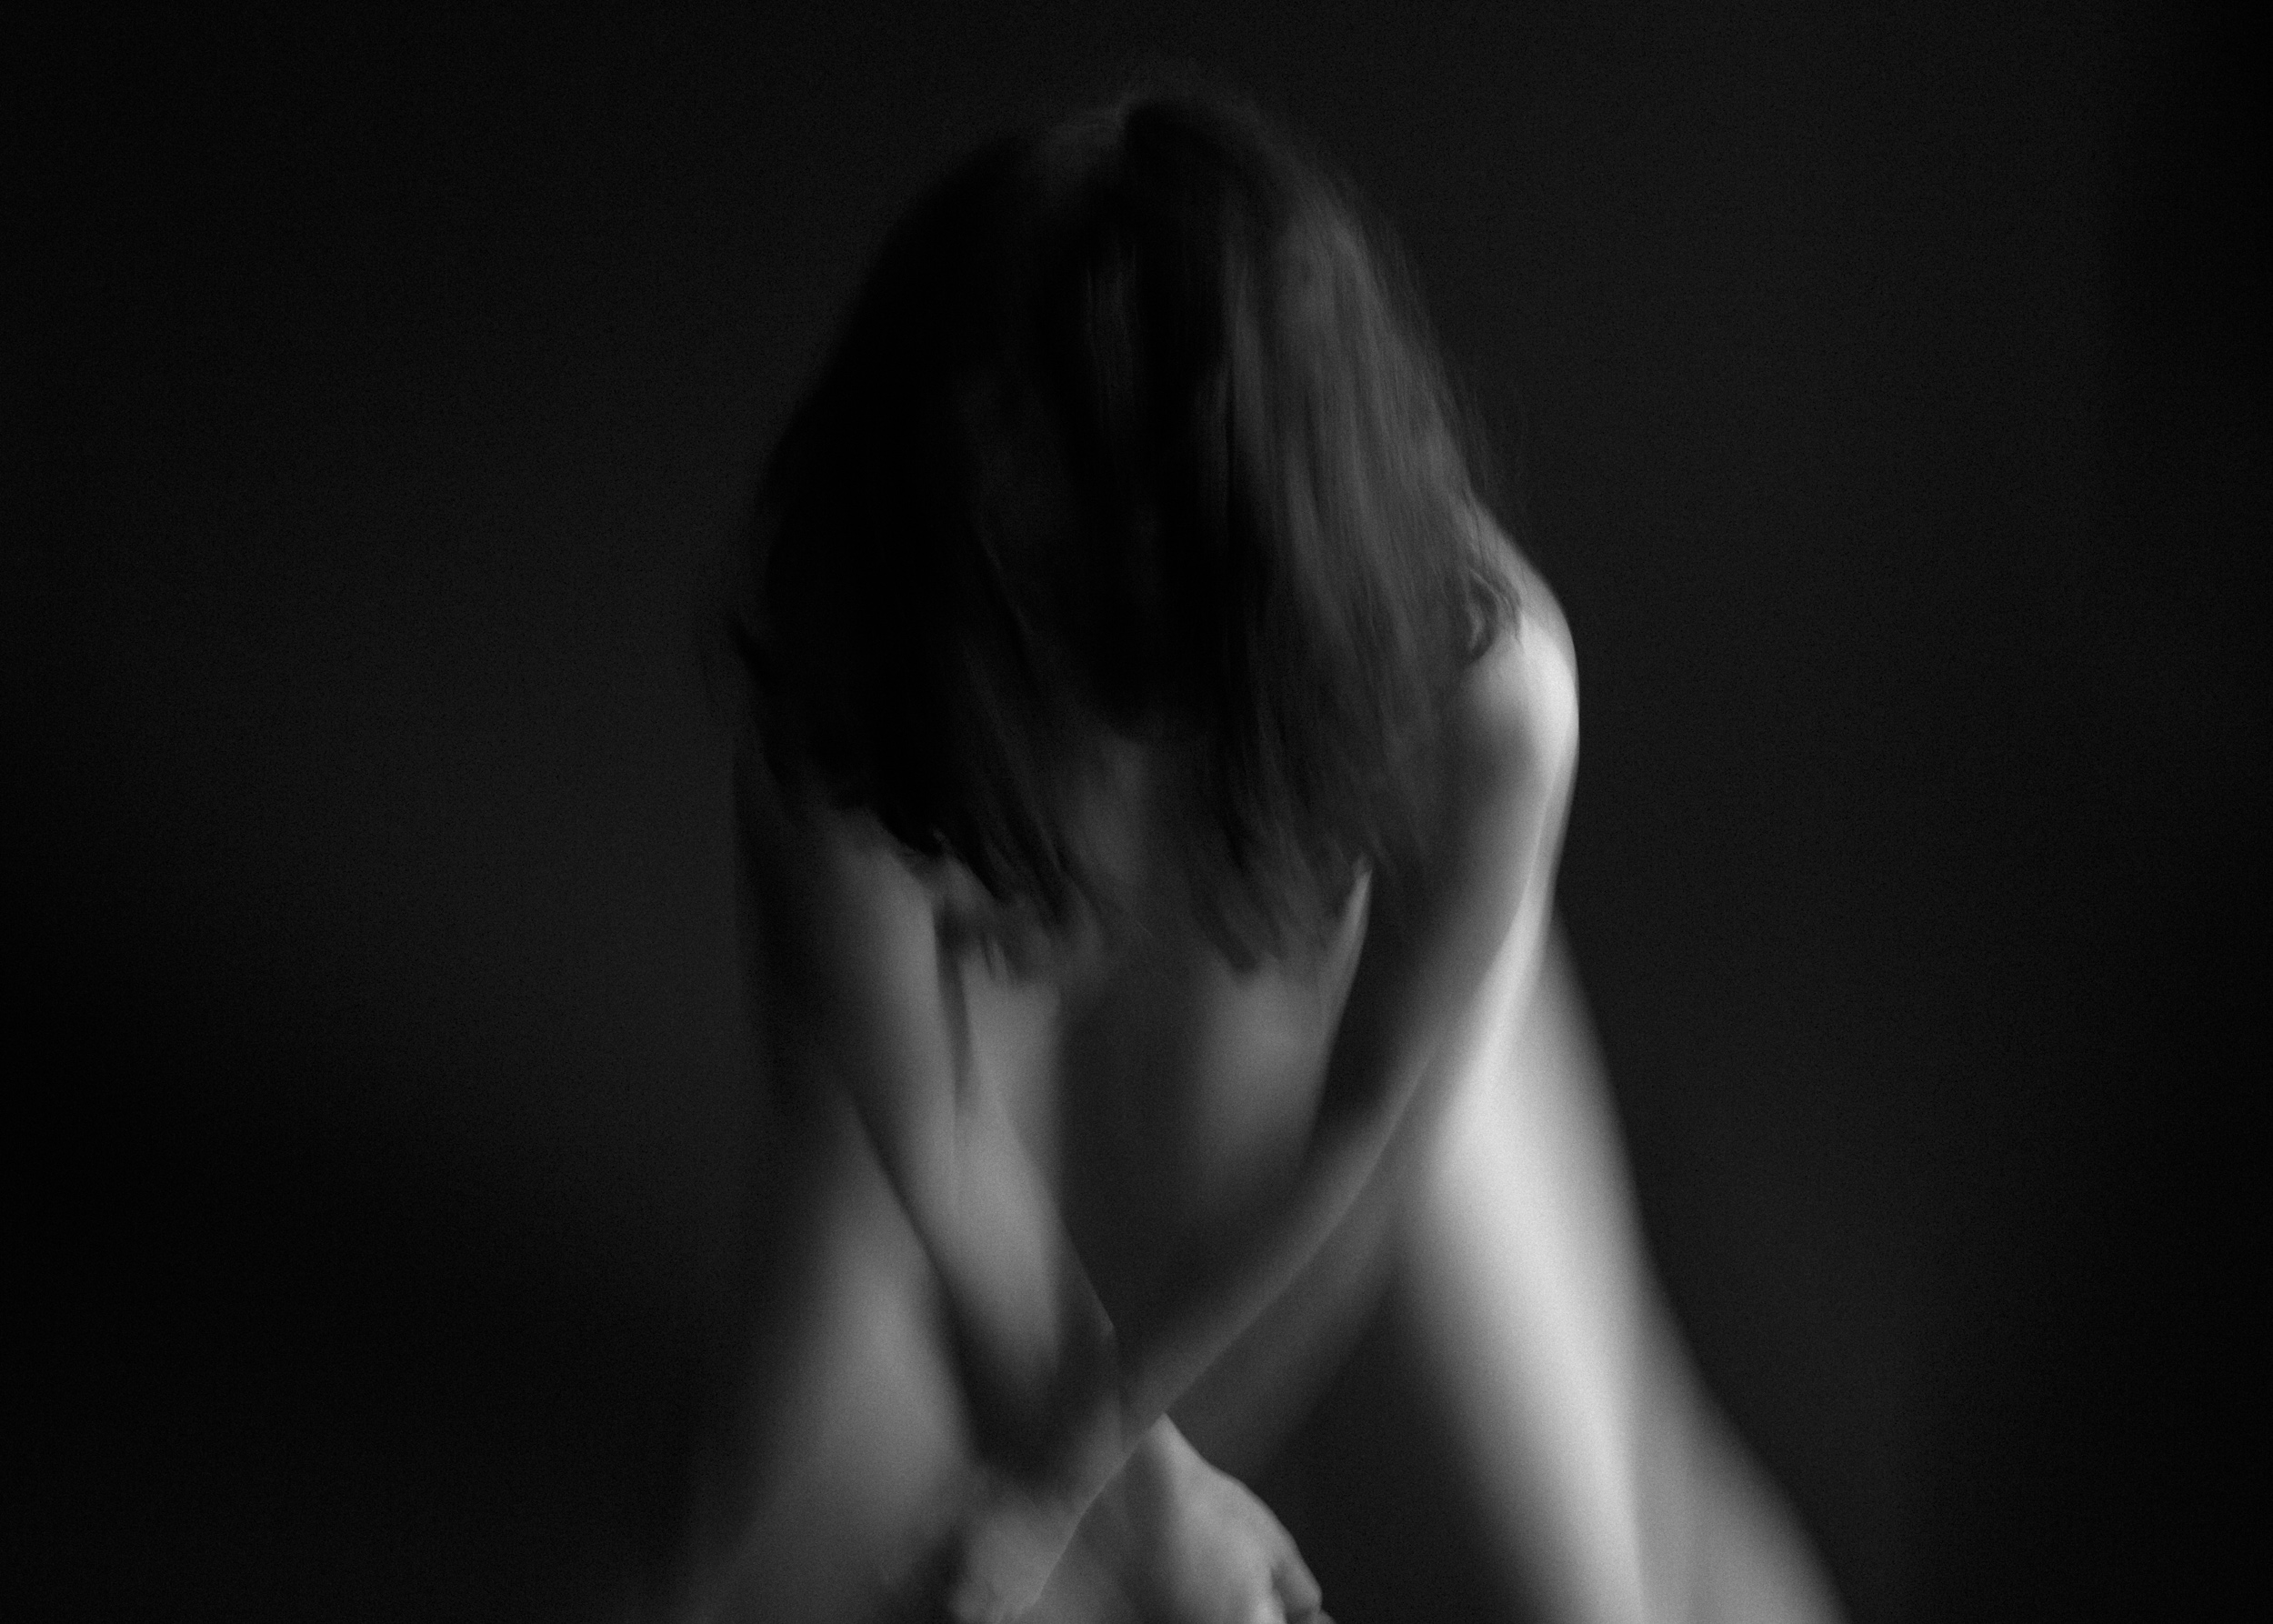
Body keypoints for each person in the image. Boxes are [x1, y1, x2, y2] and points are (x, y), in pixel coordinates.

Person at [686, 89, 1842, 1624]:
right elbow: (931, 1144)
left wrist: (1098, 1481)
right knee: (764, 1572)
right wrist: (1114, 1499)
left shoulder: (1484, 694)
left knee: (1601, 1590)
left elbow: (1368, 1121)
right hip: (970, 1005)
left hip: (1315, 973)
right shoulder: (855, 669)